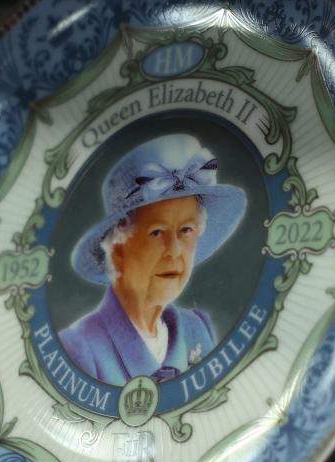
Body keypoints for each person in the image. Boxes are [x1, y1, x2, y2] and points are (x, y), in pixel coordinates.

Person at [60, 133, 247, 386]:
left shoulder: (197, 328)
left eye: (186, 231)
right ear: (116, 247)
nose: (174, 250)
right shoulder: (80, 348)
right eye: (157, 232)